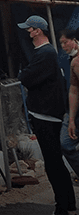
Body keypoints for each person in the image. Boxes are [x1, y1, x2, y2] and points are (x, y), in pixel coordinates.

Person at [18, 16, 76, 215]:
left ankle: (63, 206)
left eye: (30, 29)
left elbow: (26, 77)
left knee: (53, 163)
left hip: (46, 115)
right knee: (55, 162)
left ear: (38, 31)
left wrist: (23, 74)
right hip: (47, 114)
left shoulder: (45, 53)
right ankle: (68, 203)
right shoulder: (45, 53)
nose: (27, 33)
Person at [59, 29, 79, 177]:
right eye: (61, 43)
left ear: (74, 40)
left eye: (65, 42)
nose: (63, 46)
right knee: (66, 143)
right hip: (75, 111)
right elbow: (74, 89)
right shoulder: (72, 61)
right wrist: (71, 119)